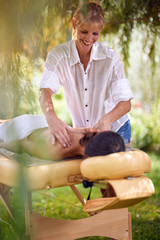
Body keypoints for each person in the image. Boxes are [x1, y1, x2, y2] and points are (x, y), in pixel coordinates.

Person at [39, 1, 134, 149]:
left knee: (121, 171)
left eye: (95, 33)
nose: (89, 39)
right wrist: (51, 118)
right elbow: (45, 91)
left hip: (116, 129)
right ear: (74, 25)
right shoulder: (58, 55)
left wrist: (107, 120)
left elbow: (126, 103)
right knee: (87, 171)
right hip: (84, 132)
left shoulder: (110, 58)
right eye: (84, 31)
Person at [0, 115, 125, 160]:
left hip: (41, 122)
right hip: (21, 129)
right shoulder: (55, 150)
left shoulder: (89, 133)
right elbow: (21, 144)